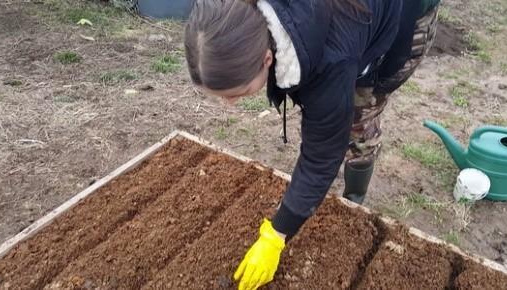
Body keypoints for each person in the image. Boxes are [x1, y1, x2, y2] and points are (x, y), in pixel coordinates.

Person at [184, 0, 440, 288]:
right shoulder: (237, 15)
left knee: (360, 111)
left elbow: (320, 157)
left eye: (237, 92)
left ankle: (354, 198)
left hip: (406, 13)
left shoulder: (334, 58)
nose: (228, 104)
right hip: (343, 29)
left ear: (267, 59)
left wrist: (276, 236)